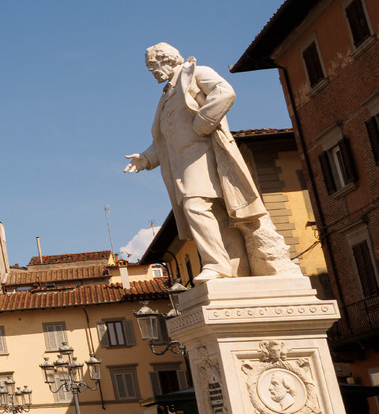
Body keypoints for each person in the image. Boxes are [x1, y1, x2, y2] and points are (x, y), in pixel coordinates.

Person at [125, 42, 299, 281]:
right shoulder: (166, 96)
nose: (152, 71)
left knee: (194, 205)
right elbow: (165, 138)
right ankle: (236, 270)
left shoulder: (196, 73)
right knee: (219, 215)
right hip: (181, 163)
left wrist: (203, 123)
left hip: (204, 155)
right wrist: (145, 158)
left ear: (168, 60)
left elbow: (225, 91)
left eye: (153, 65)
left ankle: (216, 264)